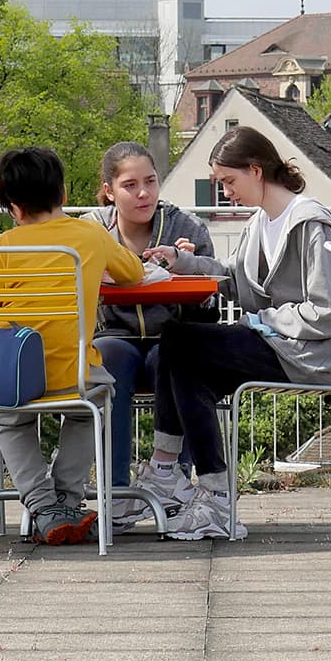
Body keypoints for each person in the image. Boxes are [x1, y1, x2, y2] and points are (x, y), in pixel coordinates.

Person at [128, 126, 331, 542]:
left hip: (312, 357)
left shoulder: (310, 225)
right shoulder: (261, 222)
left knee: (180, 341)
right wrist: (182, 261)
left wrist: (265, 321)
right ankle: (209, 495)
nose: (225, 193)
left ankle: (172, 473)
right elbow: (235, 281)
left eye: (228, 182)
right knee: (185, 359)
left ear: (256, 170)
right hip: (280, 346)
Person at [0, 147, 146, 545]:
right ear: (65, 194)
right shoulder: (89, 234)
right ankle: (68, 501)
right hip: (75, 375)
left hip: (19, 375)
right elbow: (133, 273)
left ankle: (42, 506)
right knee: (94, 403)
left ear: (14, 206)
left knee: (8, 418)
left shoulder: (5, 244)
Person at [86, 141, 216, 528]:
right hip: (115, 335)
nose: (143, 193)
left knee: (176, 357)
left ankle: (173, 483)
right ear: (109, 190)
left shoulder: (186, 226)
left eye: (151, 182)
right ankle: (117, 494)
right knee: (109, 359)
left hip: (170, 336)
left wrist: (189, 264)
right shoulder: (93, 229)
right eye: (130, 185)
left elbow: (212, 297)